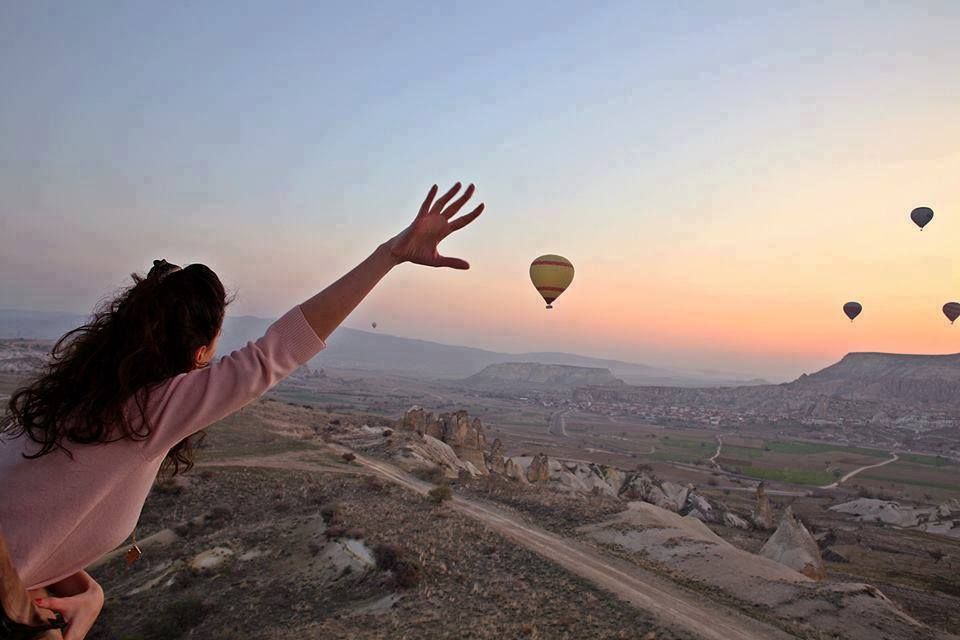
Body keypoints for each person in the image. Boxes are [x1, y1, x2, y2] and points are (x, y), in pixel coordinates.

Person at [0, 183, 484, 639]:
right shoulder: (150, 412)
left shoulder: (74, 403)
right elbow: (277, 351)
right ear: (198, 353)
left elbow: (35, 519)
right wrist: (390, 255)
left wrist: (88, 590)